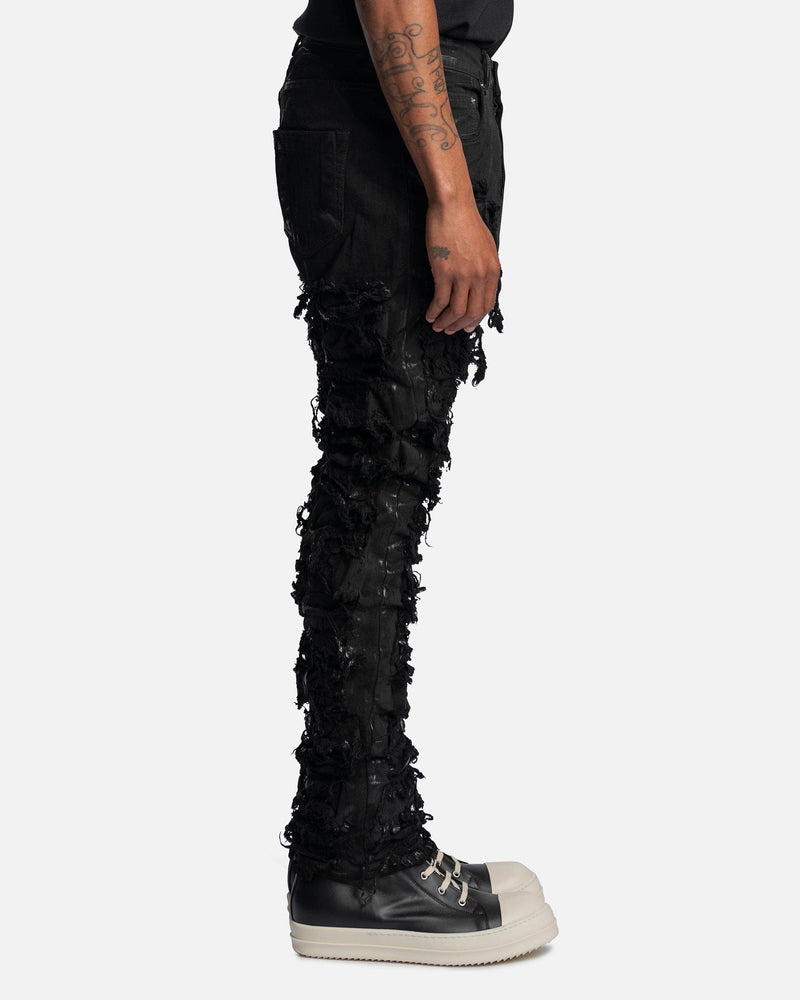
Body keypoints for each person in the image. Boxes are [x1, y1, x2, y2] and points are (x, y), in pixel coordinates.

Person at [273, 0, 557, 964]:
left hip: (403, 115)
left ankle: (371, 831)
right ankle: (357, 861)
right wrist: (450, 193)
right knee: (375, 487)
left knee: (384, 485)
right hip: (387, 129)